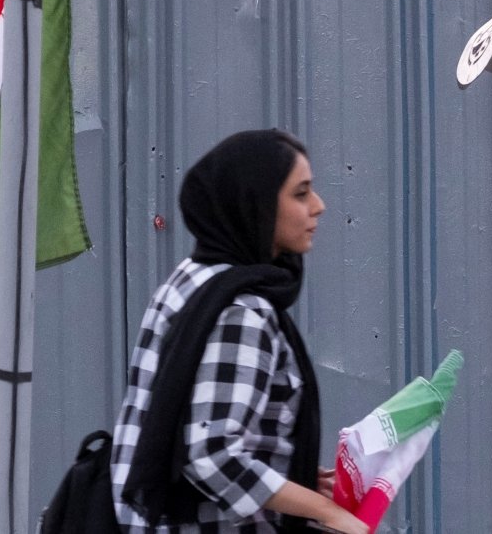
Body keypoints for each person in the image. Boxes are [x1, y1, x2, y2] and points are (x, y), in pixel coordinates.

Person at [111, 130, 369, 534]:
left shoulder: (192, 279)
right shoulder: (241, 310)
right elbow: (211, 454)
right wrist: (326, 511)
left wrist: (287, 471)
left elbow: (186, 423)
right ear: (257, 205)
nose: (318, 206)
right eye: (301, 194)